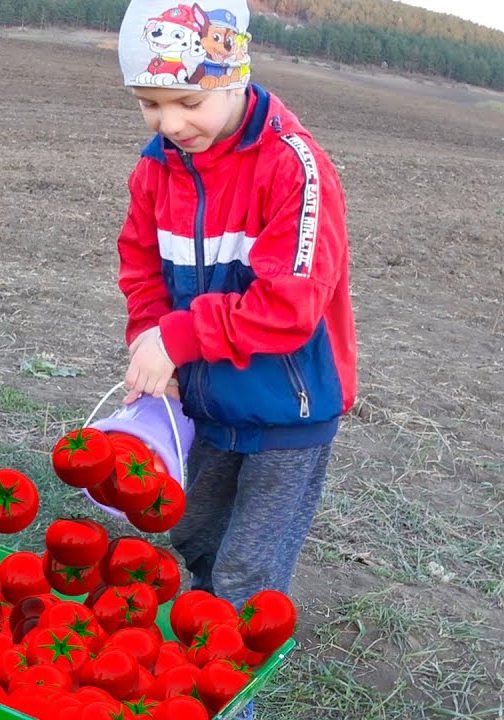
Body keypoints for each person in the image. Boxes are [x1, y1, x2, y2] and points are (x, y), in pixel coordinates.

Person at [115, 0, 358, 639]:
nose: (169, 123)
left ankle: (232, 683)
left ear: (234, 76)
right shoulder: (156, 169)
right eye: (149, 104)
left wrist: (180, 336)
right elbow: (141, 266)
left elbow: (292, 304)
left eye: (188, 103)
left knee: (247, 574)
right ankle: (204, 652)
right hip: (209, 401)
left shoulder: (292, 167)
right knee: (195, 535)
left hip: (287, 412)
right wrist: (149, 335)